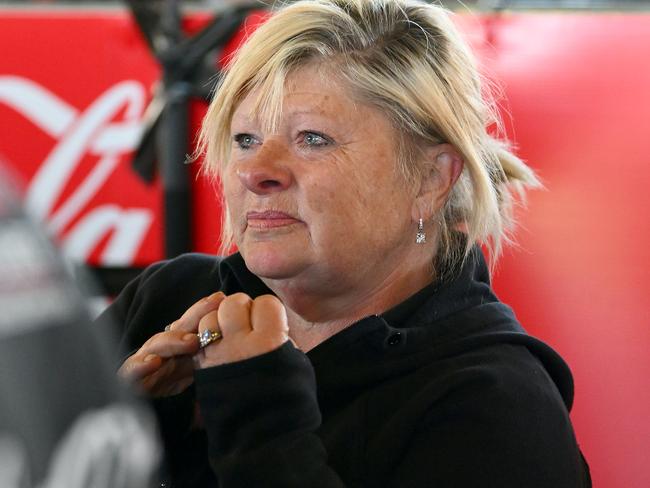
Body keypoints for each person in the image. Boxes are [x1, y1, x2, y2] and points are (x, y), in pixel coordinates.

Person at [105, 0, 591, 486]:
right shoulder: (166, 301)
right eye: (246, 139)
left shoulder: (500, 411)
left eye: (312, 139)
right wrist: (123, 435)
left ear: (430, 178)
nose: (255, 173)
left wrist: (259, 423)